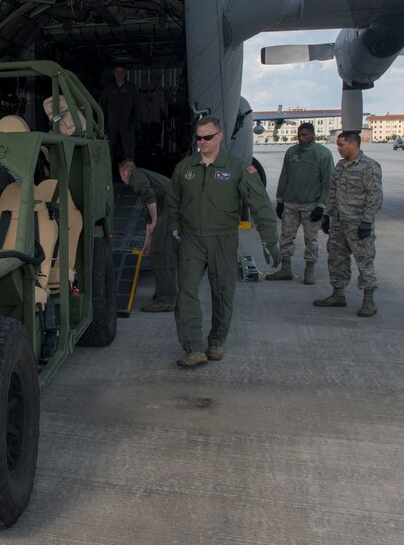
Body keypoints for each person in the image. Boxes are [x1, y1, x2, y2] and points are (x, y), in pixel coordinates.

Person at [166, 116, 280, 367]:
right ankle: (193, 348)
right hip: (192, 239)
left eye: (207, 137)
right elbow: (173, 202)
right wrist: (173, 228)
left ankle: (216, 342)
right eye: (198, 137)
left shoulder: (238, 168)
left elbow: (259, 204)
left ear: (219, 136)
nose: (202, 142)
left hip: (223, 240)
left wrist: (270, 240)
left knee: (223, 293)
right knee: (186, 293)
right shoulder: (185, 168)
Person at [314, 131, 384, 317]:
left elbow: (375, 196)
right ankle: (338, 294)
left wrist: (367, 221)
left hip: (358, 224)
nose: (338, 149)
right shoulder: (340, 166)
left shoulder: (368, 166)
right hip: (339, 223)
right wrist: (327, 215)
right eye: (337, 145)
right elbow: (333, 192)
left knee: (364, 261)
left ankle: (369, 300)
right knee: (336, 259)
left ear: (354, 144)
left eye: (341, 145)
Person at [266, 123, 333, 285]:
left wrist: (322, 206)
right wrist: (280, 199)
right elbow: (284, 177)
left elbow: (328, 182)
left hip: (311, 205)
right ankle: (286, 269)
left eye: (305, 135)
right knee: (286, 237)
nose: (301, 138)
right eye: (299, 135)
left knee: (311, 240)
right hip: (290, 204)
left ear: (313, 135)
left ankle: (309, 271)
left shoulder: (323, 154)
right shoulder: (291, 152)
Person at [118, 159, 176, 312]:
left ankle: (166, 299)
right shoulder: (142, 175)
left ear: (124, 172)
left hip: (173, 206)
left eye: (121, 175)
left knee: (161, 251)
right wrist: (147, 245)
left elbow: (149, 196)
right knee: (157, 248)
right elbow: (149, 219)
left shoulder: (136, 176)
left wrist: (156, 220)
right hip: (171, 206)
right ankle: (163, 294)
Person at [98, 64, 142, 164]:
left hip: (127, 125)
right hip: (111, 125)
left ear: (125, 73)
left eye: (122, 72)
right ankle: (106, 177)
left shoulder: (131, 88)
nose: (119, 74)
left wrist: (136, 122)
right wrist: (101, 124)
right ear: (114, 73)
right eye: (117, 72)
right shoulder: (108, 88)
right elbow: (101, 106)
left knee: (128, 152)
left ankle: (130, 177)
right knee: (108, 151)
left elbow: (137, 106)